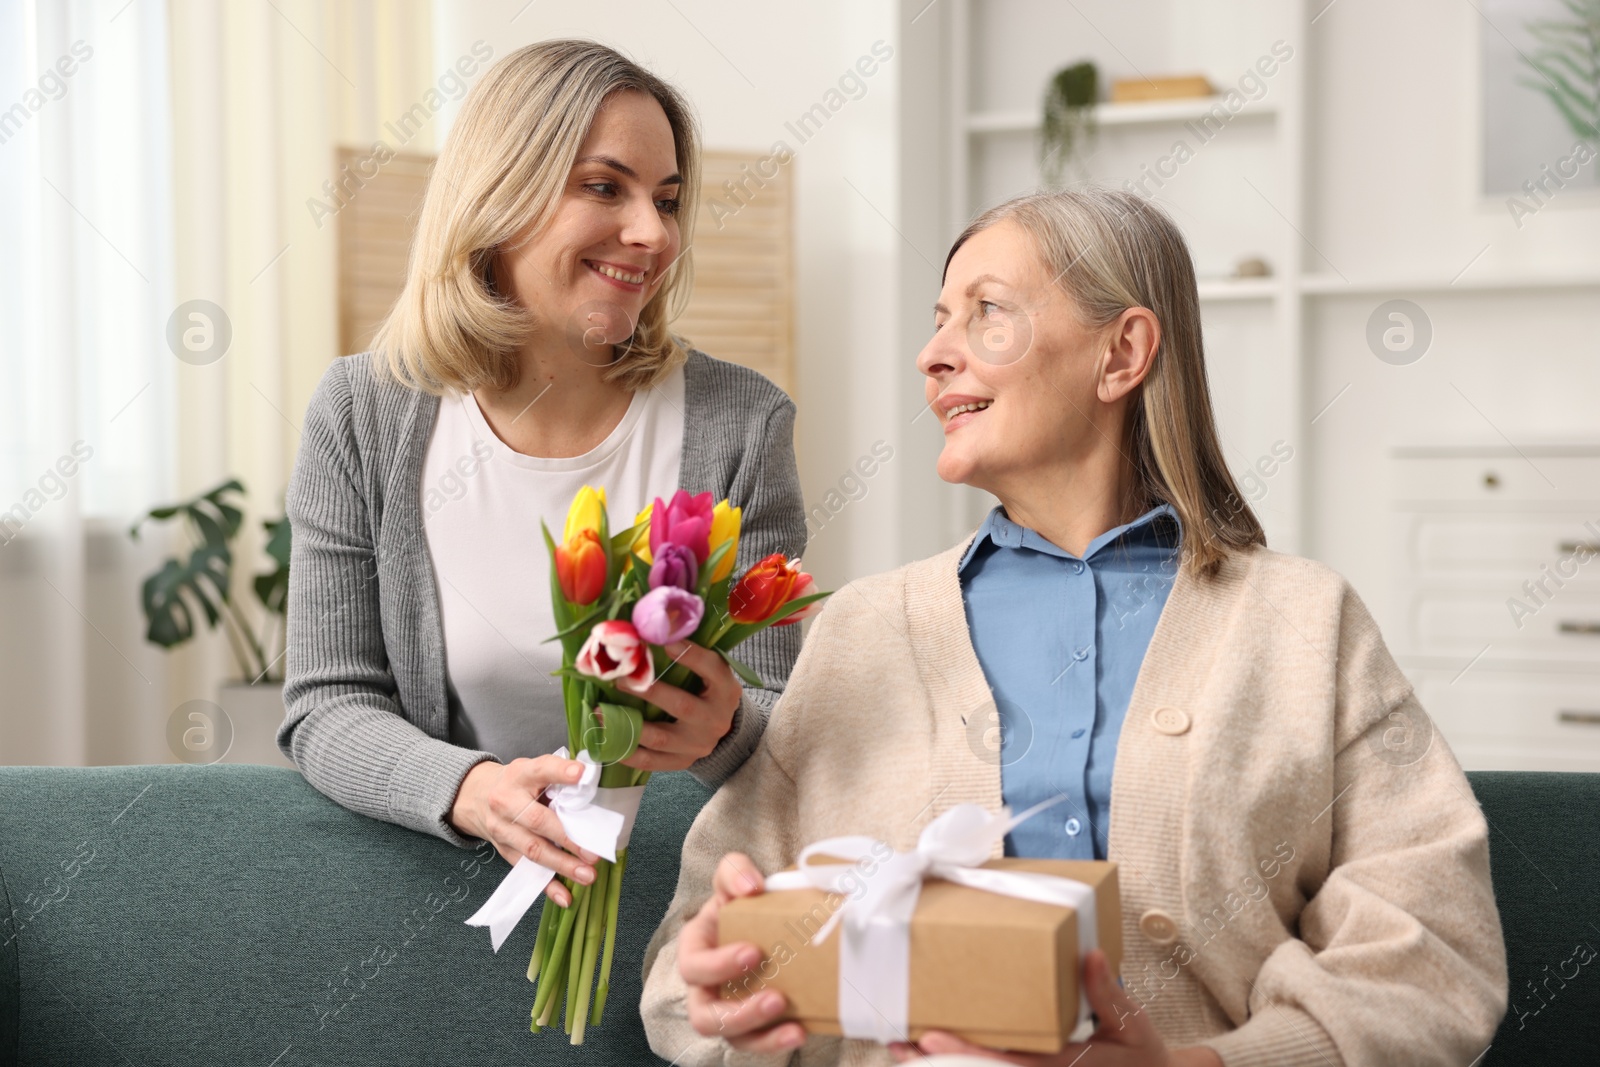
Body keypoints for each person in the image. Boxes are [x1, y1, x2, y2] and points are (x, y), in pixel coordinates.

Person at [639, 189, 1507, 1066]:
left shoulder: (1304, 626)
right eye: (939, 320)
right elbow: (685, 972)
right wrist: (730, 990)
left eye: (987, 315)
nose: (932, 356)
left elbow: (1437, 959)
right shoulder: (862, 628)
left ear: (1121, 352)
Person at [279, 40, 804, 910]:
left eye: (667, 200)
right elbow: (328, 703)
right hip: (437, 890)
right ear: (499, 196)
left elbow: (781, 718)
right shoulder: (364, 412)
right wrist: (474, 790)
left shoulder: (741, 423)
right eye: (605, 187)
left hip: (679, 910)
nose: (654, 233)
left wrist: (726, 726)